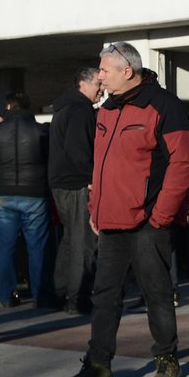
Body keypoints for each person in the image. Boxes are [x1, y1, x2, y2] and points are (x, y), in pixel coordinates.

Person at [57, 42, 189, 377]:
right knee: (104, 295)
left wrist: (161, 215)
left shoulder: (163, 106)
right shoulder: (106, 109)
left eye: (104, 70)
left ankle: (167, 358)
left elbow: (183, 164)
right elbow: (103, 167)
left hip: (149, 221)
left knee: (157, 293)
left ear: (127, 71)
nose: (99, 77)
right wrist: (96, 208)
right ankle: (99, 366)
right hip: (111, 220)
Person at [0, 91, 51, 308]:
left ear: (8, 107)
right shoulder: (41, 131)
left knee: (5, 246)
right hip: (35, 194)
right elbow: (50, 164)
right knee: (37, 247)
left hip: (4, 195)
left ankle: (5, 295)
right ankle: (40, 295)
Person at [49, 65, 103, 314]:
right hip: (76, 183)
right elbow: (79, 149)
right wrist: (91, 177)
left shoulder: (64, 108)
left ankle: (61, 293)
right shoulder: (81, 110)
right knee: (83, 241)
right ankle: (77, 297)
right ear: (83, 84)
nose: (101, 90)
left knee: (71, 239)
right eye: (97, 85)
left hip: (61, 183)